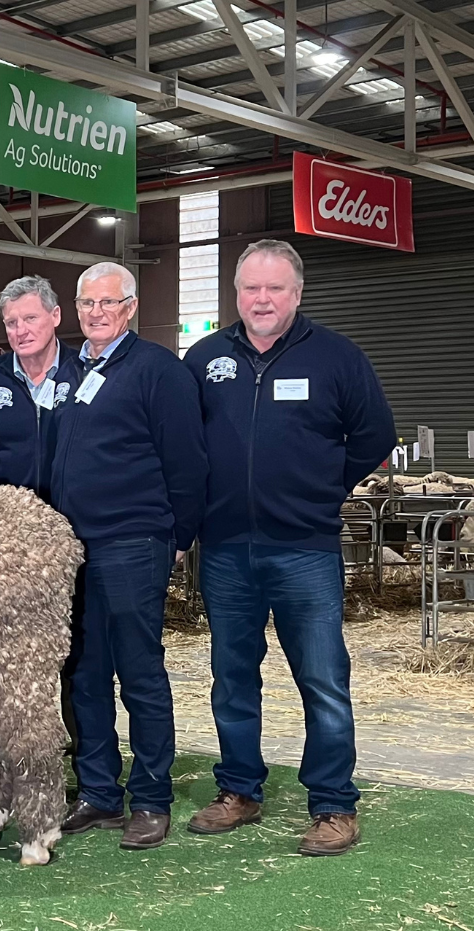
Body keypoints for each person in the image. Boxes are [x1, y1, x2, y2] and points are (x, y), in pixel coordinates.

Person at [182, 239, 395, 857]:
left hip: (304, 547)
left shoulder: (335, 357)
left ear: (296, 295)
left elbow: (375, 431)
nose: (262, 299)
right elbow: (185, 441)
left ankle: (332, 804)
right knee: (231, 676)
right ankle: (240, 790)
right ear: (237, 293)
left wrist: (324, 489)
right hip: (224, 548)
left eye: (274, 288)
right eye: (251, 287)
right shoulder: (206, 358)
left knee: (323, 678)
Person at [50, 262, 207, 851]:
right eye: (87, 302)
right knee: (84, 673)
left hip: (133, 542)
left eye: (107, 303)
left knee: (139, 672)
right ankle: (98, 792)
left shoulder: (158, 372)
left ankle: (150, 797)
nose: (95, 312)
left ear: (131, 308)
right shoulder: (72, 371)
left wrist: (176, 537)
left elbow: (187, 463)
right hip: (75, 547)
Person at [0, 275, 77, 500]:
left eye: (31, 318)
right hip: (9, 522)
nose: (20, 331)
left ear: (56, 316)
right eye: (11, 323)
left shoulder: (83, 374)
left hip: (75, 520)